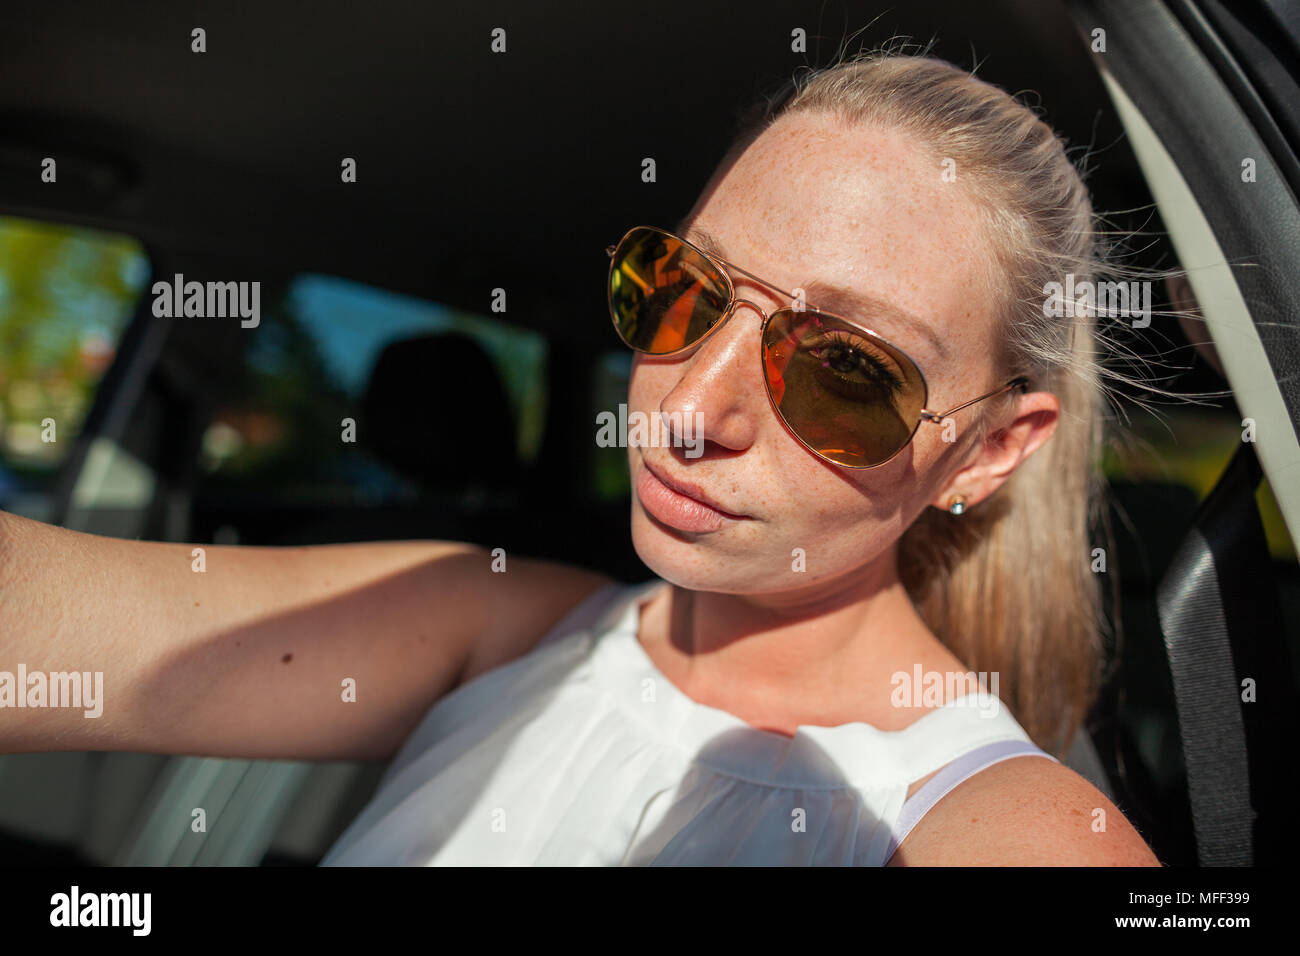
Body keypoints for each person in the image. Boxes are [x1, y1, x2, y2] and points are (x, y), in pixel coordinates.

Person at [0, 50, 1160, 866]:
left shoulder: (1004, 829)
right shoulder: (496, 620)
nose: (685, 406)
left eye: (846, 371)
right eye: (684, 291)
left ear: (991, 448)